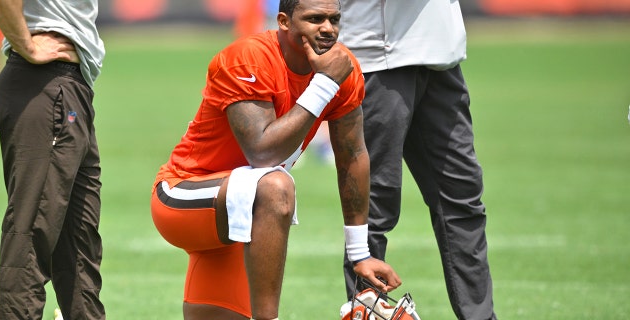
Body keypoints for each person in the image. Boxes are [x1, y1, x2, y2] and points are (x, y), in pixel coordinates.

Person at [149, 0, 402, 319]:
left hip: (241, 216)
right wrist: (323, 84)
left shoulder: (343, 67)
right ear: (283, 21)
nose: (327, 28)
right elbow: (263, 153)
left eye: (334, 19)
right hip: (184, 196)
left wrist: (360, 254)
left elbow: (352, 156)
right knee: (276, 186)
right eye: (314, 19)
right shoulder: (248, 57)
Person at [338, 1, 498, 319]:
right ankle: (366, 311)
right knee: (374, 205)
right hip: (377, 54)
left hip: (441, 55)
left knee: (462, 200)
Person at [0, 0, 106, 319]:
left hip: (68, 87)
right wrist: (26, 45)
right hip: (44, 81)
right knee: (31, 231)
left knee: (79, 240)